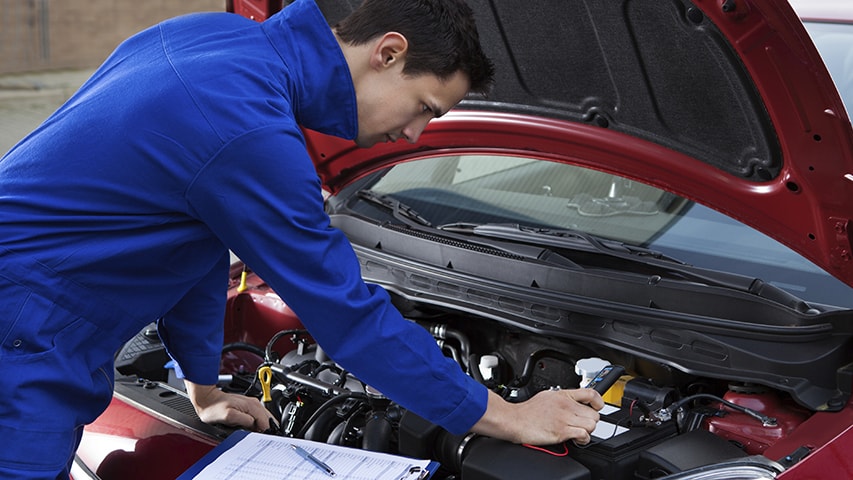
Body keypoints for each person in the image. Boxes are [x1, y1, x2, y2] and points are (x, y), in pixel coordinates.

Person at [0, 0, 603, 477]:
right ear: (388, 53)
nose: (417, 133)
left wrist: (203, 386)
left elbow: (196, 244)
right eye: (425, 107)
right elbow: (349, 319)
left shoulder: (210, 38)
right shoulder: (249, 129)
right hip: (19, 350)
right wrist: (504, 416)